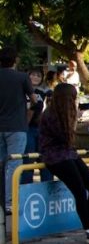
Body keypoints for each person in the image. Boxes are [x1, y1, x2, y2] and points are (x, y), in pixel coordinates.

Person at [36, 83, 89, 244]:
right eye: (73, 99)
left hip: (69, 153)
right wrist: (75, 119)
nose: (74, 102)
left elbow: (69, 139)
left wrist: (80, 122)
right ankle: (88, 228)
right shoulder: (51, 115)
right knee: (79, 190)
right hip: (55, 156)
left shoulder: (65, 113)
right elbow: (66, 137)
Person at [0, 47, 37, 213]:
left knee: (1, 164)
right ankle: (10, 202)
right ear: (15, 60)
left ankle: (1, 201)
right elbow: (34, 100)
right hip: (16, 126)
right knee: (14, 165)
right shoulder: (22, 77)